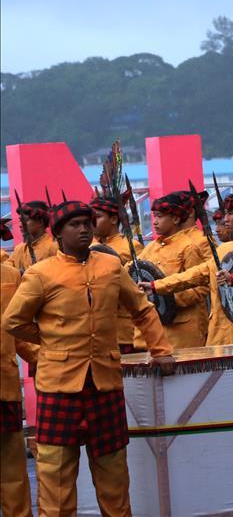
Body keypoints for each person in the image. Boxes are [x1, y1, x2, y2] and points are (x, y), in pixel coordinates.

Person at [1, 200, 175, 516]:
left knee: (114, 478)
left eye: (87, 223)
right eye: (74, 224)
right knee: (55, 479)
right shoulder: (41, 274)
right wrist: (50, 343)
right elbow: (13, 321)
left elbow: (143, 310)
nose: (83, 229)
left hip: (105, 384)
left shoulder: (110, 267)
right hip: (58, 387)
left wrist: (161, 351)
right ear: (58, 233)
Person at [143, 190, 233, 346]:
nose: (225, 219)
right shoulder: (222, 250)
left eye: (230, 214)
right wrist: (155, 286)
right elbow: (196, 274)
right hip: (218, 334)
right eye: (225, 214)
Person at [134, 192, 208, 349]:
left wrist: (170, 300)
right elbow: (134, 271)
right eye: (154, 216)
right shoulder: (151, 248)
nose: (154, 222)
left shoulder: (189, 247)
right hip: (153, 329)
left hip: (182, 331)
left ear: (175, 219)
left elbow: (201, 287)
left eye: (160, 216)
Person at [0, 218, 37, 517]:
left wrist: (49, 357)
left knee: (12, 470)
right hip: (5, 382)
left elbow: (21, 333)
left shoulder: (12, 276)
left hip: (4, 385)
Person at [91, 197, 144, 354]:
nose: (92, 223)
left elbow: (138, 286)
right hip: (96, 331)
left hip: (124, 332)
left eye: (97, 217)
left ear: (114, 219)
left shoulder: (131, 246)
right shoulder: (89, 247)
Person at [7, 201, 58, 271]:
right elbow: (8, 270)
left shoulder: (53, 247)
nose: (20, 225)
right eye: (20, 221)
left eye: (24, 220)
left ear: (40, 222)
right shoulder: (19, 249)